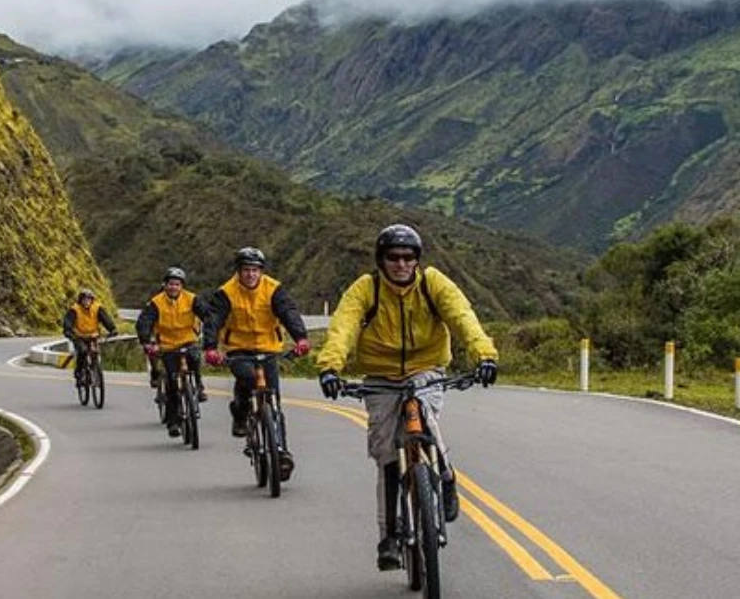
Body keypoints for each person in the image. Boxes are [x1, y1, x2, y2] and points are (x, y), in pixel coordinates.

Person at [315, 223, 498, 571]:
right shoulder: (365, 290)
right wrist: (330, 367)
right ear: (381, 261)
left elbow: (463, 318)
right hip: (380, 376)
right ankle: (389, 536)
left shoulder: (433, 284)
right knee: (386, 453)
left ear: (417, 260)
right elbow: (344, 327)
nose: (401, 264)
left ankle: (445, 475)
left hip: (426, 367)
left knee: (426, 416)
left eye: (408, 257)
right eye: (393, 258)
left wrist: (485, 356)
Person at [201, 247, 311, 479]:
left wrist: (300, 338)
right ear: (238, 272)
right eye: (246, 270)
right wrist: (210, 348)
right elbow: (213, 320)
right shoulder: (226, 293)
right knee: (247, 379)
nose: (250, 275)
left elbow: (288, 312)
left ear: (261, 272)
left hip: (269, 349)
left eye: (255, 270)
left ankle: (280, 451)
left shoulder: (273, 289)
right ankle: (239, 412)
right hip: (238, 349)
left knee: (274, 401)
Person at [136, 267, 212, 437]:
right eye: (170, 284)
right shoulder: (156, 303)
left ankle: (198, 387)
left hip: (189, 341)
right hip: (168, 346)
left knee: (194, 359)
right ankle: (173, 421)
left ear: (182, 286)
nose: (173, 287)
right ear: (165, 285)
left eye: (177, 284)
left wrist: (212, 331)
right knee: (171, 382)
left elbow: (207, 314)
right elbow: (144, 323)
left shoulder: (192, 299)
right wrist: (146, 341)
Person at [62, 288, 117, 385]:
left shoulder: (97, 308)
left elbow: (106, 320)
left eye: (89, 299)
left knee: (95, 352)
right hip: (79, 336)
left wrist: (112, 329)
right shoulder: (75, 309)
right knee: (82, 351)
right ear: (80, 300)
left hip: (93, 335)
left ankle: (95, 370)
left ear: (92, 300)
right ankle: (79, 372)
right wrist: (68, 332)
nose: (87, 302)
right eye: (84, 299)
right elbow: (68, 322)